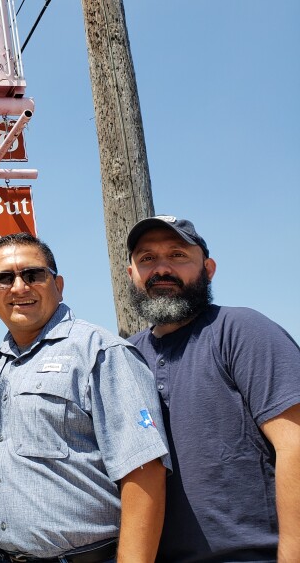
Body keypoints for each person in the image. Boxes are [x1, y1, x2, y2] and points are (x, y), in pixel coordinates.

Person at [0, 232, 170, 563]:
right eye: (4, 278)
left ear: (58, 284)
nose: (20, 287)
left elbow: (145, 472)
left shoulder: (100, 352)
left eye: (34, 274)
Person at [126, 215, 300, 562]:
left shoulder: (242, 330)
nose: (162, 269)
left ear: (208, 268)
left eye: (177, 256)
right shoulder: (127, 355)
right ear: (131, 274)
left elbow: (294, 445)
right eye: (146, 259)